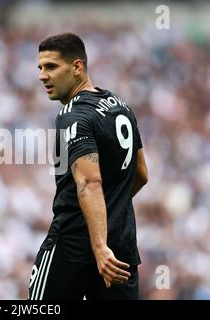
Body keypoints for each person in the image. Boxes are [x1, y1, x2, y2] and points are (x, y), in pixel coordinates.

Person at [28, 33, 148, 300]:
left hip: (75, 245)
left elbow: (88, 182)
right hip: (121, 245)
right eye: (40, 68)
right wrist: (110, 210)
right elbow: (141, 174)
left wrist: (98, 245)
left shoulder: (73, 115)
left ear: (77, 67)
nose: (42, 76)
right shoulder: (121, 107)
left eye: (51, 67)